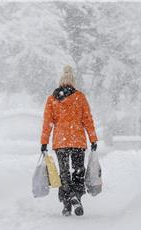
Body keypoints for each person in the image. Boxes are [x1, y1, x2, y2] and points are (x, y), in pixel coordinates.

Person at [40, 65, 98, 216]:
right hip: (77, 141)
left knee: (64, 173)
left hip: (61, 142)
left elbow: (47, 122)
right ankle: (76, 196)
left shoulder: (52, 99)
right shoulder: (80, 97)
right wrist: (93, 139)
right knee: (78, 171)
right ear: (73, 82)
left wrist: (44, 142)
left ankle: (67, 204)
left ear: (61, 82)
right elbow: (88, 120)